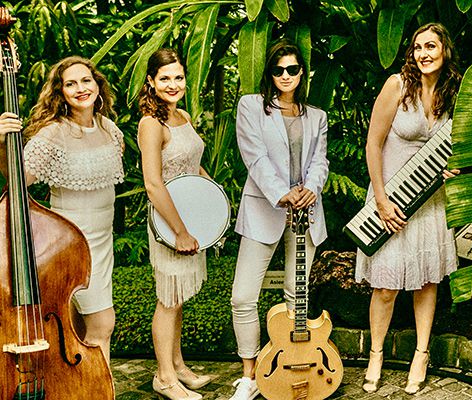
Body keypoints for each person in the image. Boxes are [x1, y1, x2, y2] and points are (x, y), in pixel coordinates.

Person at [354, 22, 461, 395]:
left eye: (431, 46)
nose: (423, 53)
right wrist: (380, 200)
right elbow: (373, 144)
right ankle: (376, 354)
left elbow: (466, 152)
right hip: (391, 200)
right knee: (385, 287)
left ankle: (421, 354)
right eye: (418, 47)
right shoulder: (397, 86)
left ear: (445, 50)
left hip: (430, 205)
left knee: (427, 283)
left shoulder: (453, 93)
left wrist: (456, 168)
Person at [0, 56, 123, 366]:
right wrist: (2, 143)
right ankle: (102, 388)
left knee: (79, 328)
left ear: (97, 85)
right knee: (103, 323)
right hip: (70, 244)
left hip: (103, 241)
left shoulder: (110, 129)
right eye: (71, 84)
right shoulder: (53, 133)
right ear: (61, 92)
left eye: (86, 80)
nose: (81, 88)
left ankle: (80, 386)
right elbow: (18, 179)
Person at [229, 39, 329, 400]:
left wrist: (311, 189)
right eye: (278, 69)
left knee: (295, 296)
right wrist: (282, 193)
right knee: (243, 296)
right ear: (269, 73)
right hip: (264, 208)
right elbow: (254, 157)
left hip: (306, 212)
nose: (285, 76)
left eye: (292, 69)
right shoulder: (251, 106)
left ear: (302, 73)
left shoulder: (317, 116)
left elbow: (320, 160)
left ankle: (288, 366)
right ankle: (250, 375)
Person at [137, 48, 212, 400]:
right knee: (168, 298)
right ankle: (165, 377)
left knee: (178, 297)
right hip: (169, 224)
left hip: (192, 219)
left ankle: (178, 366)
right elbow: (153, 184)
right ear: (151, 81)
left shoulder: (182, 115)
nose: (173, 84)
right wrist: (179, 231)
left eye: (178, 77)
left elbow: (193, 164)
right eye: (164, 78)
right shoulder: (151, 124)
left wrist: (213, 200)